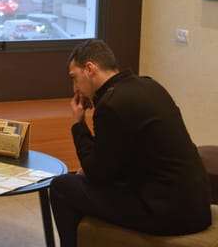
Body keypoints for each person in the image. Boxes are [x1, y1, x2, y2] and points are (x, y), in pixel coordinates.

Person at [49, 39, 212, 247]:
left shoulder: (111, 104)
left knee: (62, 186)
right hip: (197, 207)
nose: (75, 88)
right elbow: (118, 155)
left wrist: (78, 124)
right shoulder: (148, 85)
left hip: (167, 214)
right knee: (84, 181)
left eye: (74, 78)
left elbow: (98, 175)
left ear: (90, 69)